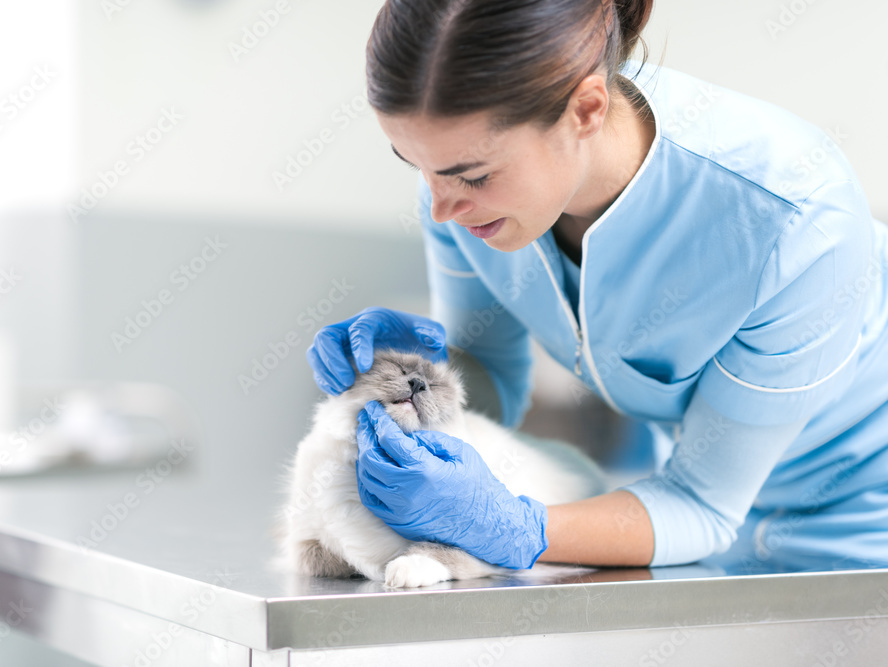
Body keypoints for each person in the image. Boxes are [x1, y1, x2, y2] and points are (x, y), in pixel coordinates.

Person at [306, 0, 888, 571]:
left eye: (474, 176)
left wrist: (513, 526)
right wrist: (418, 381)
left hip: (861, 535)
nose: (439, 208)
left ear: (586, 110)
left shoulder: (794, 222)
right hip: (679, 527)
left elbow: (702, 504)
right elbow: (489, 386)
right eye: (417, 165)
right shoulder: (462, 189)